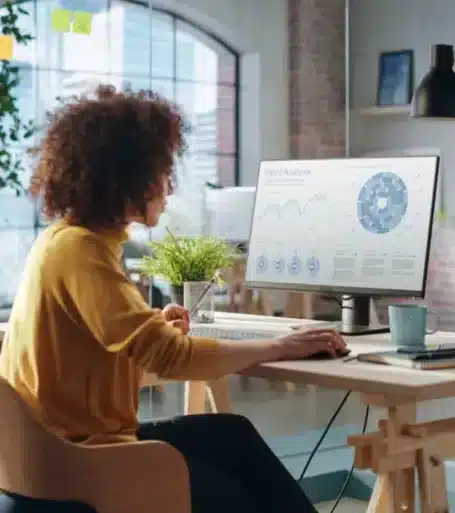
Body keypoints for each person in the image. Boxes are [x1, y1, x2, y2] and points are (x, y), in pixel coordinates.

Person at [0, 85, 347, 513]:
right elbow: (170, 358)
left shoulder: (70, 242)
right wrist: (280, 345)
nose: (168, 187)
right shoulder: (80, 250)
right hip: (79, 462)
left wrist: (154, 322)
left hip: (62, 451)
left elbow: (104, 336)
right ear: (128, 179)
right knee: (238, 496)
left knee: (231, 435)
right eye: (161, 173)